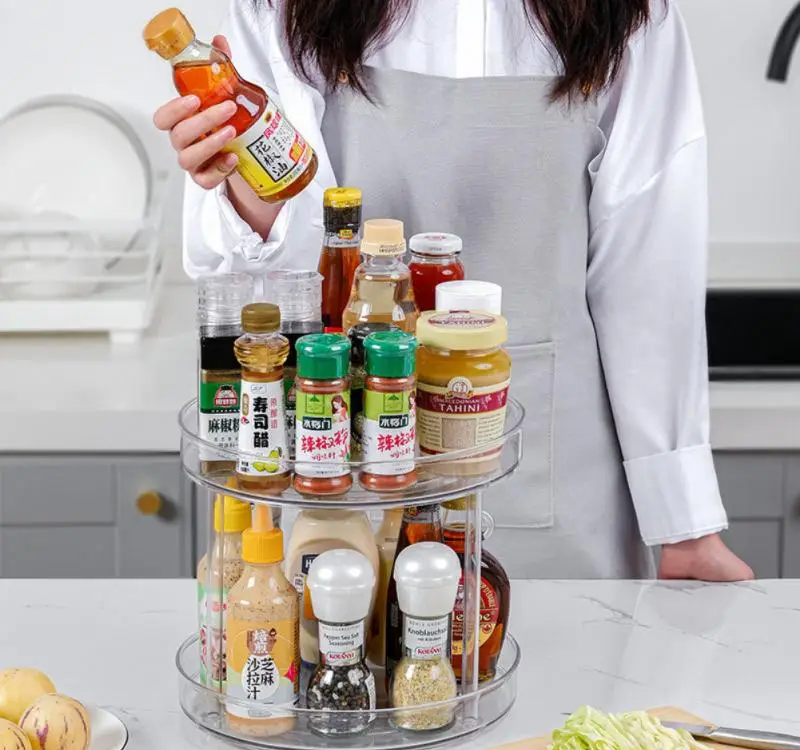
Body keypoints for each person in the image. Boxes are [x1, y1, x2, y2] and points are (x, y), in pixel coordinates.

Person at [154, 0, 754, 581]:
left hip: (564, 468)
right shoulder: (280, 12)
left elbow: (647, 277)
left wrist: (685, 526)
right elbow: (284, 289)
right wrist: (242, 186)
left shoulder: (630, 16)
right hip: (343, 463)